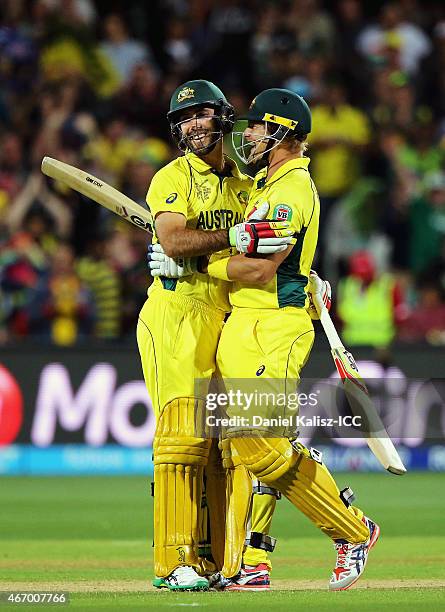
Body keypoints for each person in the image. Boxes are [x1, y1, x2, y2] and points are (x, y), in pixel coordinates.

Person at [207, 88, 380, 591]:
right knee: (245, 450)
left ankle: (353, 530)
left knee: (262, 448)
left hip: (272, 327)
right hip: (247, 323)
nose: (250, 136)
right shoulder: (270, 185)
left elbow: (260, 270)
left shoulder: (289, 192)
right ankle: (252, 562)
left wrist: (196, 262)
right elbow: (284, 257)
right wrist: (307, 273)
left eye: (259, 127)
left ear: (281, 133)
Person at [137, 79, 291, 591]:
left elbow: (263, 256)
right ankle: (173, 561)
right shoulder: (171, 177)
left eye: (201, 114)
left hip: (230, 318)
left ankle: (225, 561)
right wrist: (224, 239)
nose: (191, 126)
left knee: (232, 444)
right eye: (183, 120)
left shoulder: (250, 185)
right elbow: (174, 237)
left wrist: (304, 277)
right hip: (176, 315)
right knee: (183, 438)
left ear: (225, 117)